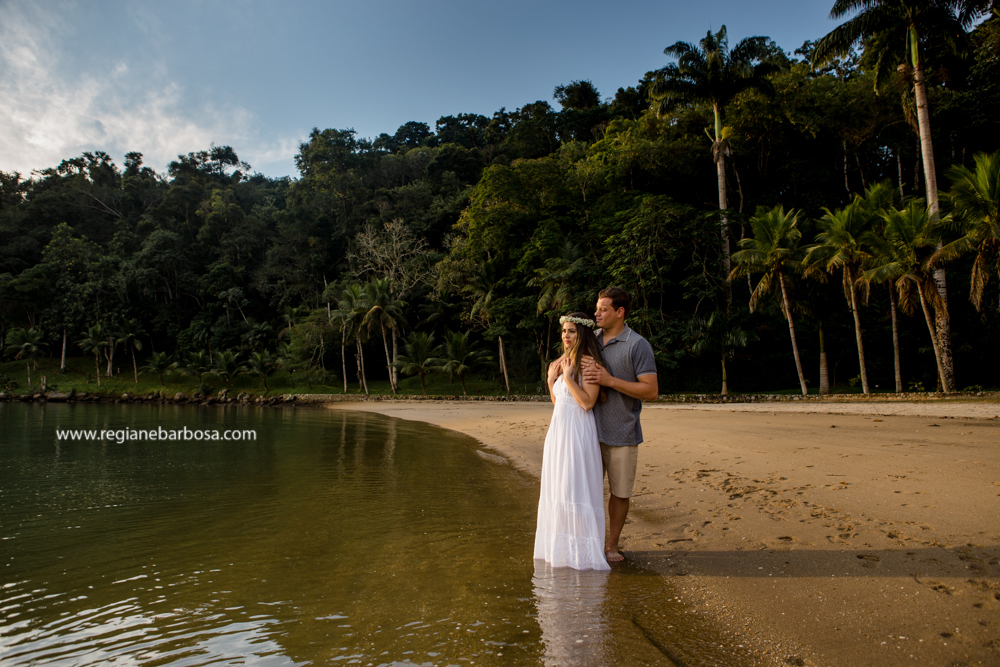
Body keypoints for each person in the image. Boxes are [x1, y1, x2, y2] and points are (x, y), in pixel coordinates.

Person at [582, 287, 658, 562]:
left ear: (620, 312)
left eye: (603, 309)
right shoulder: (590, 340)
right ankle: (588, 544)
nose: (597, 313)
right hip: (588, 432)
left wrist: (610, 380)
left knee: (620, 493)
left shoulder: (637, 345)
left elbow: (650, 390)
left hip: (623, 432)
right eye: (597, 308)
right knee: (586, 492)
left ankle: (611, 546)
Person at [533, 312, 611, 571]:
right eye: (564, 331)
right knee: (558, 489)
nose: (566, 335)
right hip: (558, 433)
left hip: (578, 433)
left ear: (583, 334)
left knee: (573, 488)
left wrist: (567, 377)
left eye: (572, 331)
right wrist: (551, 380)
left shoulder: (589, 364)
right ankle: (562, 552)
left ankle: (582, 554)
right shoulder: (560, 362)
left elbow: (587, 403)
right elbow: (559, 402)